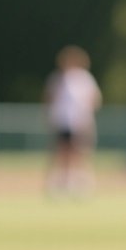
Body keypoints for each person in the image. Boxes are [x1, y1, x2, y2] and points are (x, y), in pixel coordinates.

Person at [43, 44, 102, 197]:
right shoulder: (58, 78)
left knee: (80, 153)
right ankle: (61, 183)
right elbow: (50, 98)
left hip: (80, 122)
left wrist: (85, 117)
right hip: (63, 122)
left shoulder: (84, 79)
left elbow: (94, 99)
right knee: (61, 153)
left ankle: (82, 183)